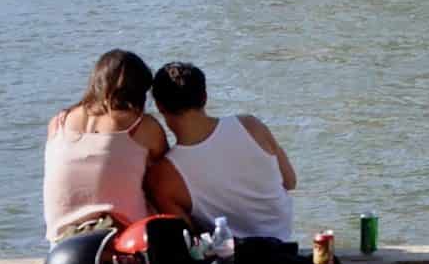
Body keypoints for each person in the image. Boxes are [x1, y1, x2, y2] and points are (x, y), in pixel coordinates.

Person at [144, 62, 296, 244]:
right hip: (284, 243)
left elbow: (188, 238)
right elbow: (290, 181)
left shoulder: (162, 178)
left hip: (233, 260)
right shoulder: (251, 126)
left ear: (160, 107)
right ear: (205, 97)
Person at [43, 49, 169, 241]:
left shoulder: (58, 123)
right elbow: (166, 178)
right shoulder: (143, 127)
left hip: (62, 243)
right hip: (123, 239)